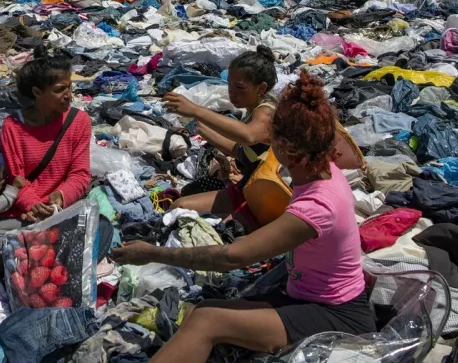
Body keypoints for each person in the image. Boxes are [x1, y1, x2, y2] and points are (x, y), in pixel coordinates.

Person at [113, 71, 374, 361]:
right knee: (200, 313)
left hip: (338, 316)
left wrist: (152, 253)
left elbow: (231, 258)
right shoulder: (321, 170)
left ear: (284, 147)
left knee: (206, 319)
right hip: (308, 294)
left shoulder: (317, 205)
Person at [163, 45, 363, 225]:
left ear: (262, 88)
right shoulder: (252, 110)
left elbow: (248, 136)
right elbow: (241, 150)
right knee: (180, 205)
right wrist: (204, 130)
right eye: (230, 84)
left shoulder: (266, 111)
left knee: (218, 225)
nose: (232, 92)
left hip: (263, 196)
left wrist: (196, 110)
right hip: (248, 189)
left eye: (240, 87)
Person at [0, 46, 94, 273]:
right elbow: (17, 178)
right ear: (37, 92)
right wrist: (33, 205)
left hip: (60, 211)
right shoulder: (13, 127)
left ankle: (33, 258)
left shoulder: (78, 121)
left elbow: (80, 174)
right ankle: (36, 260)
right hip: (21, 213)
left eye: (70, 87)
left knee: (101, 231)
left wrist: (60, 198)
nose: (69, 95)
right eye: (60, 89)